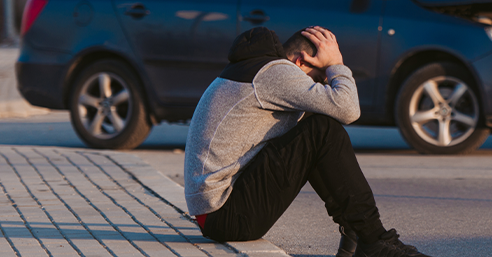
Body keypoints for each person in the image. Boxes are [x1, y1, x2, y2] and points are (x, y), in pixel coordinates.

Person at [183, 26, 429, 257]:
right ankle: (374, 240)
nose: (322, 83)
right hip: (227, 215)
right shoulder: (276, 72)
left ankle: (361, 237)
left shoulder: (254, 70)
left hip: (218, 213)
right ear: (300, 62)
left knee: (317, 126)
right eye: (321, 77)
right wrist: (336, 65)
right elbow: (349, 110)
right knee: (322, 130)